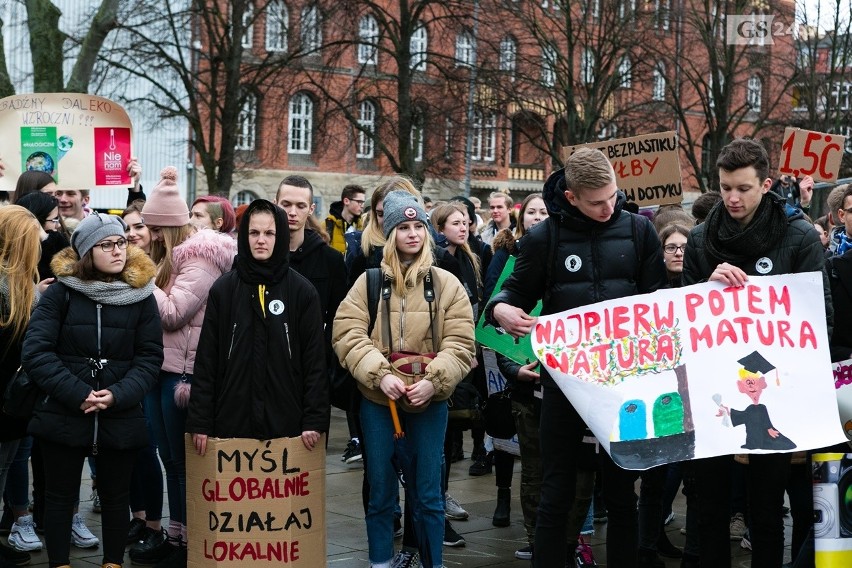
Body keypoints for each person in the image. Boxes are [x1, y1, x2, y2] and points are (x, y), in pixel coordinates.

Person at [486, 147, 668, 567]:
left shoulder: (640, 232)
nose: (609, 208)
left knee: (623, 497)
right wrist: (500, 308)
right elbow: (510, 293)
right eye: (596, 202)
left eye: (613, 196)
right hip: (564, 386)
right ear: (571, 197)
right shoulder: (542, 238)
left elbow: (661, 303)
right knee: (556, 494)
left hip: (625, 386)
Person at [682, 138, 830, 567]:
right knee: (707, 507)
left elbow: (821, 316)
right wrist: (704, 285)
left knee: (766, 511)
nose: (731, 197)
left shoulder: (799, 235)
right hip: (712, 392)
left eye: (743, 188)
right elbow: (678, 310)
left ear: (765, 185)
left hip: (773, 394)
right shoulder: (698, 239)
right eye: (726, 186)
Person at [333, 190, 475, 568]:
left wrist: (434, 380)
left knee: (428, 493)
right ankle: (380, 562)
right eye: (403, 227)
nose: (412, 234)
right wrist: (380, 376)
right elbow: (347, 333)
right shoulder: (369, 282)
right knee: (380, 490)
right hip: (380, 405)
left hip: (430, 404)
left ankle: (433, 562)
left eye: (418, 226)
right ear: (390, 232)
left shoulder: (447, 284)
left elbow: (461, 344)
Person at [22, 212, 163, 568]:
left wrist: (118, 394)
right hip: (64, 414)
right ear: (87, 252)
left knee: (117, 498)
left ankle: (113, 562)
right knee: (59, 498)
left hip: (120, 415)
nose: (118, 250)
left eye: (121, 242)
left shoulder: (141, 295)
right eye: (106, 245)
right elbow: (37, 352)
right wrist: (78, 393)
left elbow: (149, 358)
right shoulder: (61, 294)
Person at [133, 167, 236, 568]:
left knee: (181, 464)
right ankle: (176, 536)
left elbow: (174, 314)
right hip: (165, 367)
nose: (152, 237)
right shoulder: (174, 258)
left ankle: (188, 543)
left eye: (158, 230)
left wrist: (141, 280)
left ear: (173, 228)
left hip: (183, 374)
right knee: (171, 460)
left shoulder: (200, 260)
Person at [188, 198, 329, 455]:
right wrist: (200, 421)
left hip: (286, 420)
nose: (261, 240)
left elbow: (315, 363)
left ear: (281, 236)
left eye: (269, 233)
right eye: (254, 232)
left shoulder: (302, 292)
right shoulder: (224, 290)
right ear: (244, 236)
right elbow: (207, 360)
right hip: (232, 419)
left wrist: (314, 419)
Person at [274, 176, 349, 457]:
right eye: (286, 204)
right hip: (265, 372)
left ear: (310, 209)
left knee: (308, 460)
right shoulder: (257, 256)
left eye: (299, 205)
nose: (292, 212)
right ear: (275, 205)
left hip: (311, 374)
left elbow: (341, 318)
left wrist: (328, 365)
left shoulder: (330, 261)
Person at [0, 206, 48, 568]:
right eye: (35, 240)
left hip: (13, 400)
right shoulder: (8, 287)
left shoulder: (22, 285)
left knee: (6, 466)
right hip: (6, 398)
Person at [326, 184, 366, 255]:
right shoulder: (328, 224)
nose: (362, 206)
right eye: (359, 202)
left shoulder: (363, 225)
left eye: (363, 202)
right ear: (346, 201)